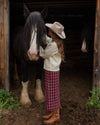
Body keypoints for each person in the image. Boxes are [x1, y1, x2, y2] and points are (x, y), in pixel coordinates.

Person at [39, 21, 66, 124]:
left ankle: (56, 116)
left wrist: (39, 48)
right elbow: (48, 40)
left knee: (53, 93)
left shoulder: (54, 45)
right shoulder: (54, 41)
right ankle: (53, 112)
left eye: (50, 30)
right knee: (52, 92)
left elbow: (45, 54)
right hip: (51, 70)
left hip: (51, 70)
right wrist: (41, 35)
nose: (48, 30)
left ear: (53, 33)